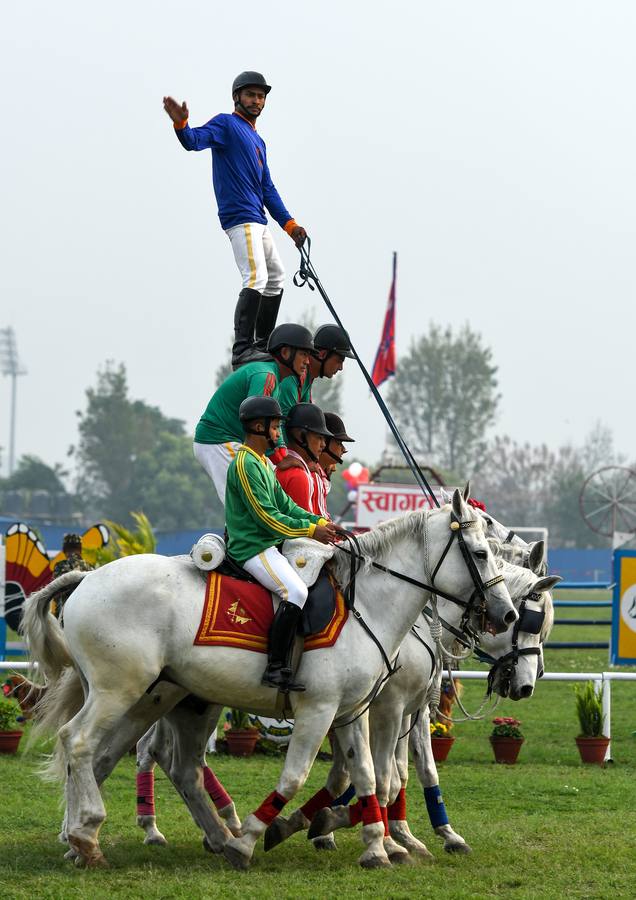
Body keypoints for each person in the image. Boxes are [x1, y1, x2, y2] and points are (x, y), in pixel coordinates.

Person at [163, 72, 307, 366]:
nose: (257, 101)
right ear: (236, 97)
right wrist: (181, 123)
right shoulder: (226, 124)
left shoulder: (258, 141)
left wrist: (290, 225)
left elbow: (267, 188)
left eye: (261, 96)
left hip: (259, 217)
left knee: (276, 277)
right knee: (256, 276)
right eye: (251, 95)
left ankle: (262, 344)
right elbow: (193, 141)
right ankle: (242, 348)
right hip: (240, 217)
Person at [225, 396, 339, 691]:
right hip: (251, 547)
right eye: (275, 427)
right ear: (259, 427)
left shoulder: (261, 462)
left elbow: (286, 505)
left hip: (267, 545)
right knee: (296, 590)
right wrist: (312, 531)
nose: (279, 434)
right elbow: (268, 518)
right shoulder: (244, 464)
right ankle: (275, 668)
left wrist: (320, 523)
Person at [193, 323, 313, 505]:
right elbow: (259, 420)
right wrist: (280, 458)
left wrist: (281, 457)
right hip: (219, 440)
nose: (308, 361)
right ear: (286, 353)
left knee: (262, 498)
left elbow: (272, 423)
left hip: (231, 441)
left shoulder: (274, 377)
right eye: (304, 354)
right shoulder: (266, 375)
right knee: (247, 506)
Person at [278, 324, 355, 413]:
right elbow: (281, 422)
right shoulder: (293, 377)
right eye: (339, 360)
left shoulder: (308, 376)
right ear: (322, 354)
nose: (341, 368)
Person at [275, 404, 333, 516]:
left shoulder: (298, 472)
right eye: (319, 437)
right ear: (300, 435)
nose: (323, 445)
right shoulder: (298, 475)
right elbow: (304, 529)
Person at [51, 533, 94, 620]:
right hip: (87, 615)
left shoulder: (60, 566)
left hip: (64, 616)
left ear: (64, 549)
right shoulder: (90, 568)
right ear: (80, 548)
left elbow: (55, 593)